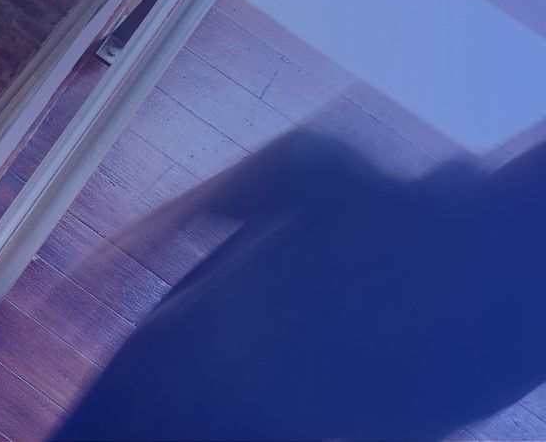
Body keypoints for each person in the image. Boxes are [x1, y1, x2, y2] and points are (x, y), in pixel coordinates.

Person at [52, 130, 546, 440]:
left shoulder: (366, 197)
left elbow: (297, 160)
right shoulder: (515, 350)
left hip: (163, 383)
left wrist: (158, 232)